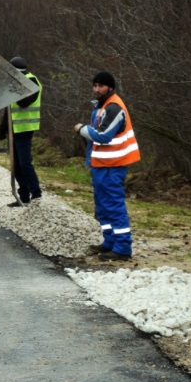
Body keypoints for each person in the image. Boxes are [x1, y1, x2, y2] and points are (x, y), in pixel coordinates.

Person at [75, 71, 141, 261]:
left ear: (110, 87)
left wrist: (81, 129)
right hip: (102, 163)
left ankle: (122, 247)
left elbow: (103, 136)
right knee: (102, 205)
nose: (97, 89)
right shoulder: (103, 105)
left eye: (100, 86)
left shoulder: (113, 107)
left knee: (113, 204)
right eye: (94, 85)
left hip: (114, 164)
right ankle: (109, 242)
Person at [0, 57, 43, 207]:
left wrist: (12, 88)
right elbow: (9, 108)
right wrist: (2, 128)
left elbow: (24, 102)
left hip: (25, 128)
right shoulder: (15, 82)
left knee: (25, 163)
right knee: (16, 165)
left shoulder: (32, 81)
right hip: (14, 129)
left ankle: (36, 195)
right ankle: (24, 196)